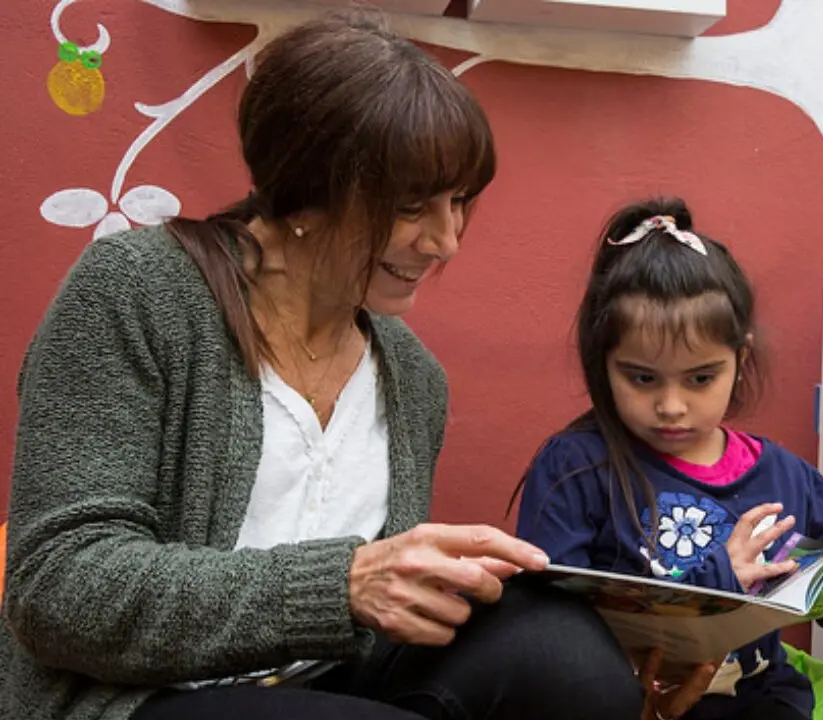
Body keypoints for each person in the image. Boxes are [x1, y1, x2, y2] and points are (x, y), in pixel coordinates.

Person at [1, 12, 643, 720]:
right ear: (304, 190)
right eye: (411, 206)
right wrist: (339, 586)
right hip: (134, 701)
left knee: (570, 661)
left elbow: (377, 626)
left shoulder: (413, 378)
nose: (446, 240)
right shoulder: (136, 292)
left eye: (459, 202)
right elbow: (56, 587)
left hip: (325, 690)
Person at [512, 198, 823, 720]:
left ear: (740, 359)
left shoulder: (792, 479)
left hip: (767, 702)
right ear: (603, 361)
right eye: (641, 377)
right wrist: (717, 581)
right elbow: (546, 627)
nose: (671, 406)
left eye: (700, 378)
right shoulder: (577, 467)